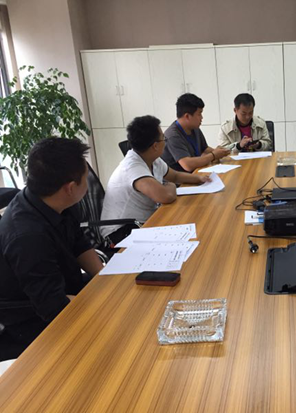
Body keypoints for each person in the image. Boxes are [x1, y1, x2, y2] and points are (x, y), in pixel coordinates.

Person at [0, 138, 103, 360]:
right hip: (32, 320)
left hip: (65, 289)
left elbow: (79, 243)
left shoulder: (56, 202)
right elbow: (52, 306)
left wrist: (106, 278)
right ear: (71, 188)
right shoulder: (28, 237)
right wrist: (105, 304)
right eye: (86, 178)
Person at [101, 115, 210, 243]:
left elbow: (175, 176)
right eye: (163, 138)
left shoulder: (152, 158)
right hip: (121, 231)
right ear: (155, 146)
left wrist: (199, 178)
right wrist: (170, 185)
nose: (165, 141)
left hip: (144, 221)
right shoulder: (132, 167)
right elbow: (166, 196)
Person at [162, 93, 230, 172]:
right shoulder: (173, 136)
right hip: (181, 178)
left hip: (195, 172)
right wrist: (213, 155)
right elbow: (187, 165)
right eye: (199, 114)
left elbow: (204, 148)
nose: (202, 117)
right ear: (187, 116)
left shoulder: (194, 127)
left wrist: (219, 152)